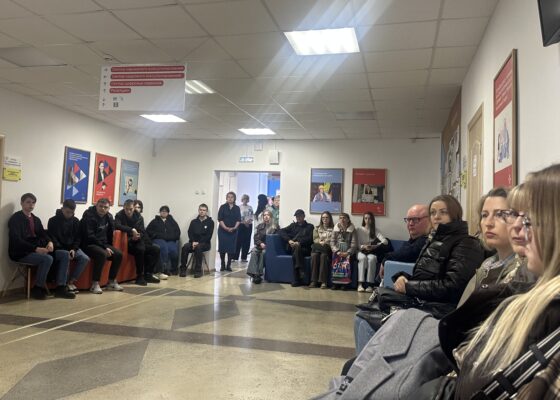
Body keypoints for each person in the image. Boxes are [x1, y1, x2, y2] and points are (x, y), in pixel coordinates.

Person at [434, 165, 560, 398]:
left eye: (530, 218)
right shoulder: (489, 265)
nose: (517, 227)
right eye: (484, 215)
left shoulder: (541, 297)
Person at [8, 193, 56, 300]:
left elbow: (43, 234)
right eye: (28, 202)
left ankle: (56, 284)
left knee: (57, 253)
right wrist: (36, 249)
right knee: (47, 259)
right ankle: (37, 288)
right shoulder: (15, 219)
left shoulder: (35, 219)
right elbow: (17, 240)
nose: (31, 205)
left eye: (33, 203)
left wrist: (50, 242)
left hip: (33, 249)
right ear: (21, 203)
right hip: (20, 252)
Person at [80, 198, 123, 294]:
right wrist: (105, 247)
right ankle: (95, 284)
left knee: (118, 254)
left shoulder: (109, 217)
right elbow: (90, 236)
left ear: (109, 208)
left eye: (105, 207)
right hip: (89, 244)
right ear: (96, 206)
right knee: (102, 254)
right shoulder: (89, 216)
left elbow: (110, 234)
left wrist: (109, 247)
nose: (103, 209)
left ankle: (111, 281)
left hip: (103, 244)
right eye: (100, 206)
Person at [48, 199, 90, 294]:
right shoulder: (53, 220)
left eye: (72, 212)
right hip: (59, 248)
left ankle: (71, 281)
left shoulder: (76, 221)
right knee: (66, 255)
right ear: (62, 209)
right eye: (67, 212)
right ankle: (62, 285)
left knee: (85, 258)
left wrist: (73, 249)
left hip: (72, 248)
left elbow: (78, 238)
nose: (69, 214)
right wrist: (67, 250)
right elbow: (52, 238)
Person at [115, 199, 160, 286]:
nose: (129, 211)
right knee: (140, 249)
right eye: (126, 209)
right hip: (127, 242)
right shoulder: (119, 215)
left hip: (138, 239)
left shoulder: (139, 216)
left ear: (133, 208)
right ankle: (139, 276)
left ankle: (148, 274)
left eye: (131, 209)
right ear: (124, 208)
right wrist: (131, 230)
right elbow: (117, 225)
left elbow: (142, 231)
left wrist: (138, 236)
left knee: (156, 249)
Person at [279, 209, 314, 287]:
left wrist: (299, 242)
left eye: (300, 216)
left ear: (304, 216)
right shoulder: (293, 226)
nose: (298, 217)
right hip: (292, 248)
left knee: (297, 249)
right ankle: (301, 270)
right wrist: (289, 240)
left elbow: (310, 239)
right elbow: (281, 231)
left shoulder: (310, 226)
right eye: (297, 216)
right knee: (296, 249)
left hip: (305, 249)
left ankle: (296, 279)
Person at [179, 204, 214, 278]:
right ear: (198, 210)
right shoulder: (194, 221)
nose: (202, 211)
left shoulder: (210, 222)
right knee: (185, 247)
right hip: (193, 242)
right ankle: (183, 269)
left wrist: (198, 243)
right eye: (200, 210)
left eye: (204, 210)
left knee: (198, 247)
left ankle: (198, 271)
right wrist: (193, 241)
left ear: (206, 212)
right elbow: (190, 232)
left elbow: (208, 236)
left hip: (205, 244)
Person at [356, 212, 388, 292]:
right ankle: (360, 284)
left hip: (371, 252)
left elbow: (385, 241)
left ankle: (370, 284)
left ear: (372, 220)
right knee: (363, 258)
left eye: (369, 218)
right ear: (363, 219)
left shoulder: (375, 230)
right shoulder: (359, 229)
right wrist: (363, 246)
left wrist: (375, 246)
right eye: (365, 218)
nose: (367, 220)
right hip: (360, 251)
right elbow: (356, 244)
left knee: (372, 258)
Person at [147, 205, 181, 278]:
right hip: (158, 239)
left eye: (165, 211)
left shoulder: (172, 222)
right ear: (160, 212)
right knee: (164, 248)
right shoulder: (154, 221)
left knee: (174, 251)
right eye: (162, 211)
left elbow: (177, 232)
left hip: (170, 240)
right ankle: (163, 270)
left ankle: (174, 269)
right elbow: (148, 231)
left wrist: (173, 238)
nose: (164, 213)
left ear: (168, 213)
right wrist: (156, 235)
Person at [247, 210, 277, 284]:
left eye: (268, 215)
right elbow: (256, 238)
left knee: (263, 253)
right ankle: (255, 274)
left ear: (271, 216)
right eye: (264, 215)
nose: (266, 217)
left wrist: (267, 245)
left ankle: (259, 274)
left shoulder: (275, 227)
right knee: (254, 252)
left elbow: (276, 239)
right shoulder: (260, 226)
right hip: (259, 246)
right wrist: (260, 243)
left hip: (269, 248)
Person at [330, 213, 357, 289]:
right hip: (337, 252)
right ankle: (336, 283)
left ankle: (344, 284)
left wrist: (348, 253)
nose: (342, 219)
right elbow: (332, 242)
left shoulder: (353, 230)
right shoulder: (335, 229)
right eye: (340, 218)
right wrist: (337, 251)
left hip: (348, 252)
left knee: (346, 263)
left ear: (348, 220)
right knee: (336, 264)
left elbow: (354, 244)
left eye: (344, 218)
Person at [309, 211, 334, 289]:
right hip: (318, 247)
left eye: (326, 217)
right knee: (314, 255)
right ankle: (314, 281)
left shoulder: (334, 228)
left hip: (328, 248)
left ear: (330, 218)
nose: (325, 219)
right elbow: (315, 239)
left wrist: (326, 242)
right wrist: (320, 242)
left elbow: (334, 239)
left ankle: (323, 281)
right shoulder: (316, 228)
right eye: (323, 218)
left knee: (323, 256)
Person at [217, 192, 241, 271]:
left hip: (233, 231)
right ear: (226, 198)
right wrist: (226, 228)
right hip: (223, 231)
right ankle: (222, 264)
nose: (230, 198)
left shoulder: (237, 208)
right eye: (228, 197)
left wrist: (234, 228)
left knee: (231, 248)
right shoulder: (222, 207)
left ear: (234, 198)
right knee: (222, 248)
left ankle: (229, 265)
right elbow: (220, 219)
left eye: (232, 197)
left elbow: (238, 220)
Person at [234, 194, 254, 263]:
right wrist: (244, 222)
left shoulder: (250, 207)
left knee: (247, 241)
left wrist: (248, 222)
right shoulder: (238, 207)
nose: (245, 200)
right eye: (244, 199)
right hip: (240, 225)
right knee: (238, 241)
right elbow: (237, 217)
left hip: (249, 226)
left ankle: (244, 257)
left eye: (246, 199)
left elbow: (252, 216)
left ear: (248, 200)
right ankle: (235, 257)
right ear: (242, 200)